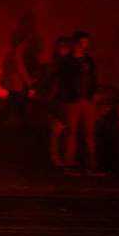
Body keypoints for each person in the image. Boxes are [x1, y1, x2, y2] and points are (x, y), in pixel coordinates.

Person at [58, 32, 103, 176]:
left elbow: (93, 78)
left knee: (89, 133)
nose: (85, 47)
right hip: (73, 101)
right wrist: (70, 95)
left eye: (86, 44)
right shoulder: (67, 61)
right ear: (76, 44)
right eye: (82, 43)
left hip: (87, 101)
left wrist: (95, 92)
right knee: (72, 132)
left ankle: (91, 165)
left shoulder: (88, 60)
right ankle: (70, 164)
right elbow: (64, 81)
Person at [39, 36, 72, 167]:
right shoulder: (54, 64)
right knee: (57, 130)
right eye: (60, 46)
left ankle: (65, 157)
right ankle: (56, 158)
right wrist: (48, 98)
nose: (62, 49)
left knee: (65, 130)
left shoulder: (70, 62)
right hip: (57, 101)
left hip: (67, 100)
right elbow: (52, 82)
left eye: (64, 46)